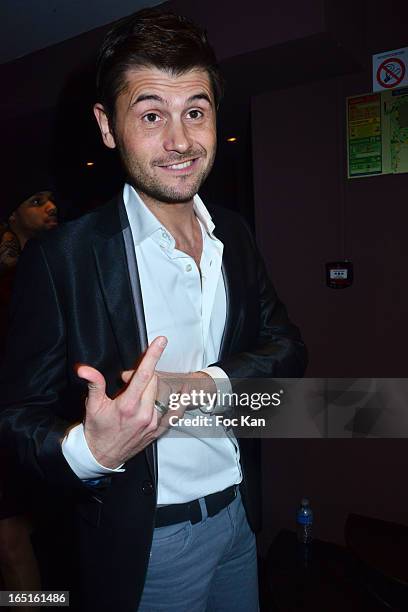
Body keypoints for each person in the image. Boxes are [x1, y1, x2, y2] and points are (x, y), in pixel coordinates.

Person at [0, 9, 307, 612]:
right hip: (145, 545)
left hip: (239, 521)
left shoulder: (235, 238)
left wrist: (199, 386)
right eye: (150, 115)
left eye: (195, 111)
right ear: (107, 126)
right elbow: (15, 418)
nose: (179, 141)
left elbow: (289, 349)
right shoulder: (64, 258)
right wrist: (91, 450)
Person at [0, 188, 57, 608]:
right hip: (8, 420)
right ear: (12, 214)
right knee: (12, 539)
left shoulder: (46, 258)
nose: (50, 207)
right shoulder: (11, 265)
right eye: (36, 201)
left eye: (50, 199)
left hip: (34, 418)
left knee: (31, 536)